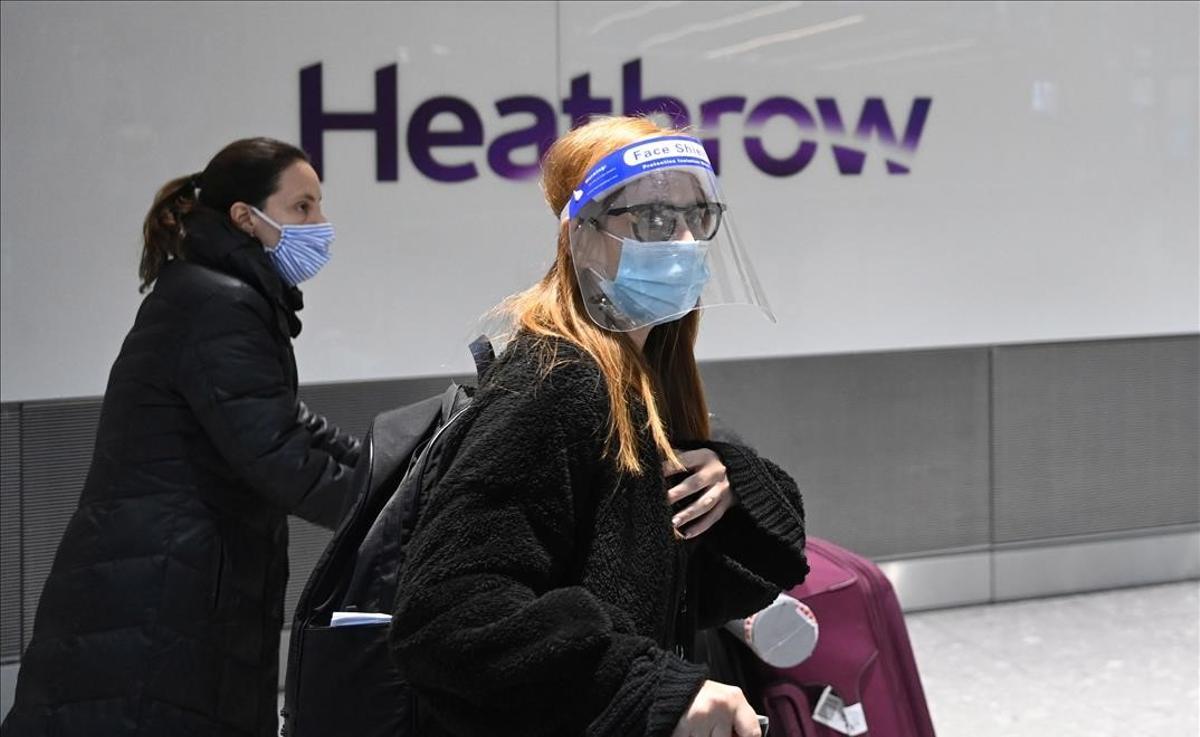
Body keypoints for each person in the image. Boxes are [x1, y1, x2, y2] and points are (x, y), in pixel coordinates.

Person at [389, 116, 810, 737]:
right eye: (655, 220)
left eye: (698, 216)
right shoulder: (556, 383)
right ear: (582, 238)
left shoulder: (638, 377)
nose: (687, 239)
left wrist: (729, 480)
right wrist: (650, 690)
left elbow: (673, 585)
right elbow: (447, 615)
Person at [3, 138, 361, 737]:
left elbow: (286, 423)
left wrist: (390, 466)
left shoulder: (221, 294)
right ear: (246, 218)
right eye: (302, 208)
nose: (320, 225)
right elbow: (279, 456)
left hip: (176, 593)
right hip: (159, 603)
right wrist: (396, 504)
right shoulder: (216, 304)